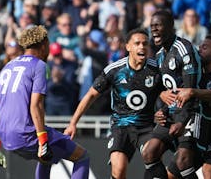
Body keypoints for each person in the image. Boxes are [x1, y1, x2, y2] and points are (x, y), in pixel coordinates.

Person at [0, 25, 89, 179]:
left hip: (5, 135)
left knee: (47, 158)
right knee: (82, 156)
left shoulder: (7, 66)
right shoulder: (39, 65)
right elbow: (36, 105)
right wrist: (43, 140)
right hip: (25, 133)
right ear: (43, 45)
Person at [64, 28, 165, 179]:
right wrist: (73, 123)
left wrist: (164, 111)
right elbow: (91, 95)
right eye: (137, 43)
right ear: (128, 46)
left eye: (145, 44)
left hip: (147, 127)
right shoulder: (115, 70)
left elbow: (170, 93)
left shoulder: (157, 69)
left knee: (153, 158)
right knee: (118, 170)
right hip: (121, 126)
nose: (142, 47)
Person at [141, 10, 201, 179]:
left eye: (158, 25)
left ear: (170, 26)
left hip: (192, 113)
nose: (154, 30)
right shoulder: (160, 55)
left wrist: (182, 120)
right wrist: (160, 111)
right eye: (152, 26)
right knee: (149, 153)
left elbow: (190, 90)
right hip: (171, 114)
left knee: (183, 161)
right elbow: (161, 90)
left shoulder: (184, 49)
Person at [172, 34, 211, 178]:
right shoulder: (196, 75)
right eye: (200, 46)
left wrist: (192, 92)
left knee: (209, 171)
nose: (199, 50)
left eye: (205, 47)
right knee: (171, 174)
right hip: (198, 133)